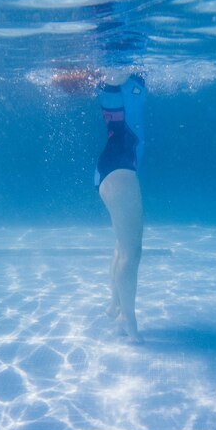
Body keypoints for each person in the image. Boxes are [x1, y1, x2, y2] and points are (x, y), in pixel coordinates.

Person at [53, 68, 146, 343]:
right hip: (121, 168)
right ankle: (128, 318)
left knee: (122, 243)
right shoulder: (119, 71)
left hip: (113, 166)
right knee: (132, 250)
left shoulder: (114, 77)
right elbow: (113, 74)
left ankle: (116, 305)